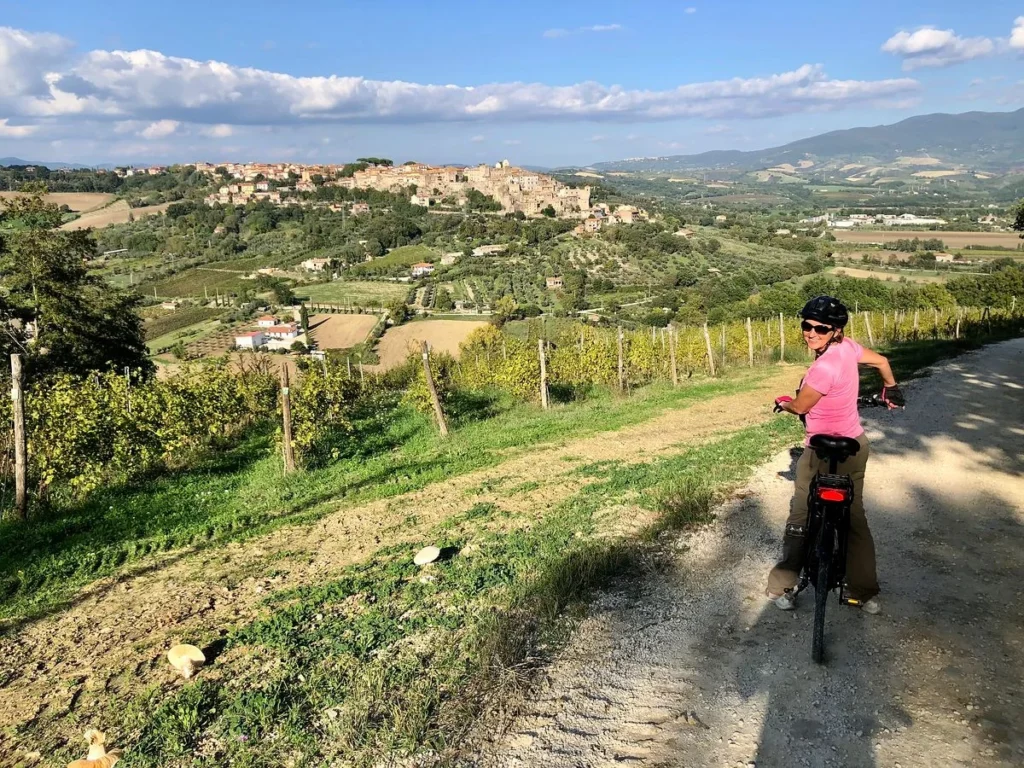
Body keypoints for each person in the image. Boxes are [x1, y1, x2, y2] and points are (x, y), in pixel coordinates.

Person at [766, 296, 904, 615]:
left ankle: (783, 586)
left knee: (802, 514)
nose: (811, 333)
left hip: (819, 450)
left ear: (835, 330)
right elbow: (882, 361)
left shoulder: (822, 368)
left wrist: (783, 402)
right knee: (854, 518)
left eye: (821, 328)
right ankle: (863, 592)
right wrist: (891, 388)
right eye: (806, 325)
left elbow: (801, 406)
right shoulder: (849, 348)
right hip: (854, 445)